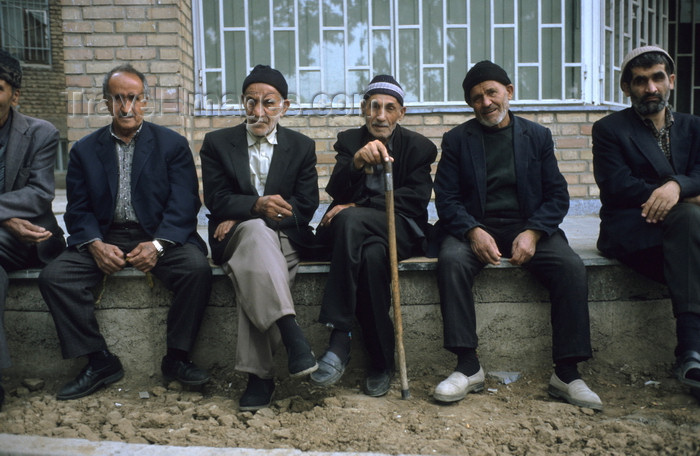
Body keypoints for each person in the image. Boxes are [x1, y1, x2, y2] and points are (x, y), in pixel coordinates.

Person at [432, 61, 602, 410]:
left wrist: (535, 233)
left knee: (570, 266)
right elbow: (446, 199)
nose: (486, 102)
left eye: (492, 92)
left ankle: (567, 374)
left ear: (509, 92)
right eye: (477, 98)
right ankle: (468, 366)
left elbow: (557, 195)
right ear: (470, 104)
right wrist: (472, 230)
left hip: (529, 225)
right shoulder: (456, 140)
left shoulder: (536, 136)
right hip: (475, 227)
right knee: (450, 260)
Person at [38, 64, 212, 400]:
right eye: (118, 99)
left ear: (145, 102)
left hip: (159, 236)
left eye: (133, 98)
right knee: (55, 277)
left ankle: (177, 358)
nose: (126, 107)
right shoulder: (84, 150)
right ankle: (99, 360)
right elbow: (77, 209)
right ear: (106, 103)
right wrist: (94, 245)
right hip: (105, 236)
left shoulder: (172, 145)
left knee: (196, 269)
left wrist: (159, 245)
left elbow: (185, 202)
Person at [200, 65, 319, 411]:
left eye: (269, 103)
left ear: (285, 106)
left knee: (257, 269)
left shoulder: (301, 147)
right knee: (254, 234)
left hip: (285, 238)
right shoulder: (218, 143)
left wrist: (247, 212)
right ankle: (291, 334)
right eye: (251, 103)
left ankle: (259, 378)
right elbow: (216, 199)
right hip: (236, 237)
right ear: (242, 104)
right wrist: (254, 208)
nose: (259, 112)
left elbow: (306, 207)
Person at [310, 75, 437, 397]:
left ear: (401, 113)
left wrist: (358, 204)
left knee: (350, 218)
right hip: (364, 238)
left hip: (400, 228)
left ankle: (340, 335)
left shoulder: (420, 147)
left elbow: (415, 200)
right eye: (375, 107)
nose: (381, 115)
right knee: (370, 258)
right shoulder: (349, 141)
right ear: (364, 109)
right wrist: (354, 163)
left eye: (389, 108)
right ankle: (381, 363)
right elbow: (335, 191)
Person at [592, 46, 700, 395]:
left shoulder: (694, 126)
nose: (650, 88)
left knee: (688, 222)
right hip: (633, 232)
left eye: (657, 78)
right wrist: (684, 192)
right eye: (640, 81)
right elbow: (618, 186)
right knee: (688, 215)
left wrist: (675, 187)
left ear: (671, 80)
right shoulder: (609, 129)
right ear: (626, 87)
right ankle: (688, 349)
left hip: (684, 234)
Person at [0, 50, 65, 410]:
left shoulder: (41, 133)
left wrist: (7, 220)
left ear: (15, 94)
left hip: (30, 240)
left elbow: (39, 194)